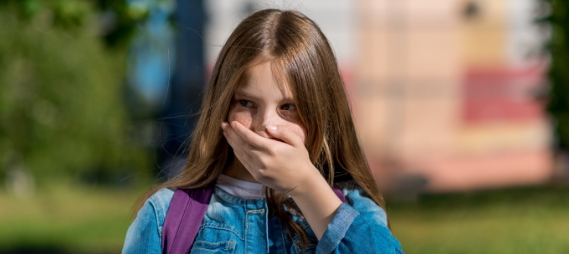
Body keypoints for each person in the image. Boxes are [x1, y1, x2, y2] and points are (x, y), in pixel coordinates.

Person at [122, 9, 403, 254]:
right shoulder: (164, 216)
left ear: (321, 114)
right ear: (223, 108)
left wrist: (306, 185)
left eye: (288, 107)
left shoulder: (355, 211)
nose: (266, 125)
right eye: (246, 103)